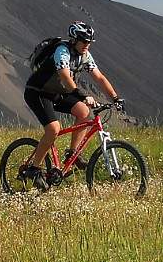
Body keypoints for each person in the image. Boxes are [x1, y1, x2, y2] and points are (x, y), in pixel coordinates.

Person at [23, 21, 124, 189]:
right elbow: (64, 76)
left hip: (57, 93)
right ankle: (34, 169)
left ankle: (73, 155)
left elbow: (99, 77)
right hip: (37, 92)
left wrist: (115, 97)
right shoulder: (62, 51)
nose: (87, 45)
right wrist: (80, 94)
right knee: (53, 129)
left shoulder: (85, 56)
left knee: (84, 112)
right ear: (74, 39)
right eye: (84, 41)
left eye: (89, 42)